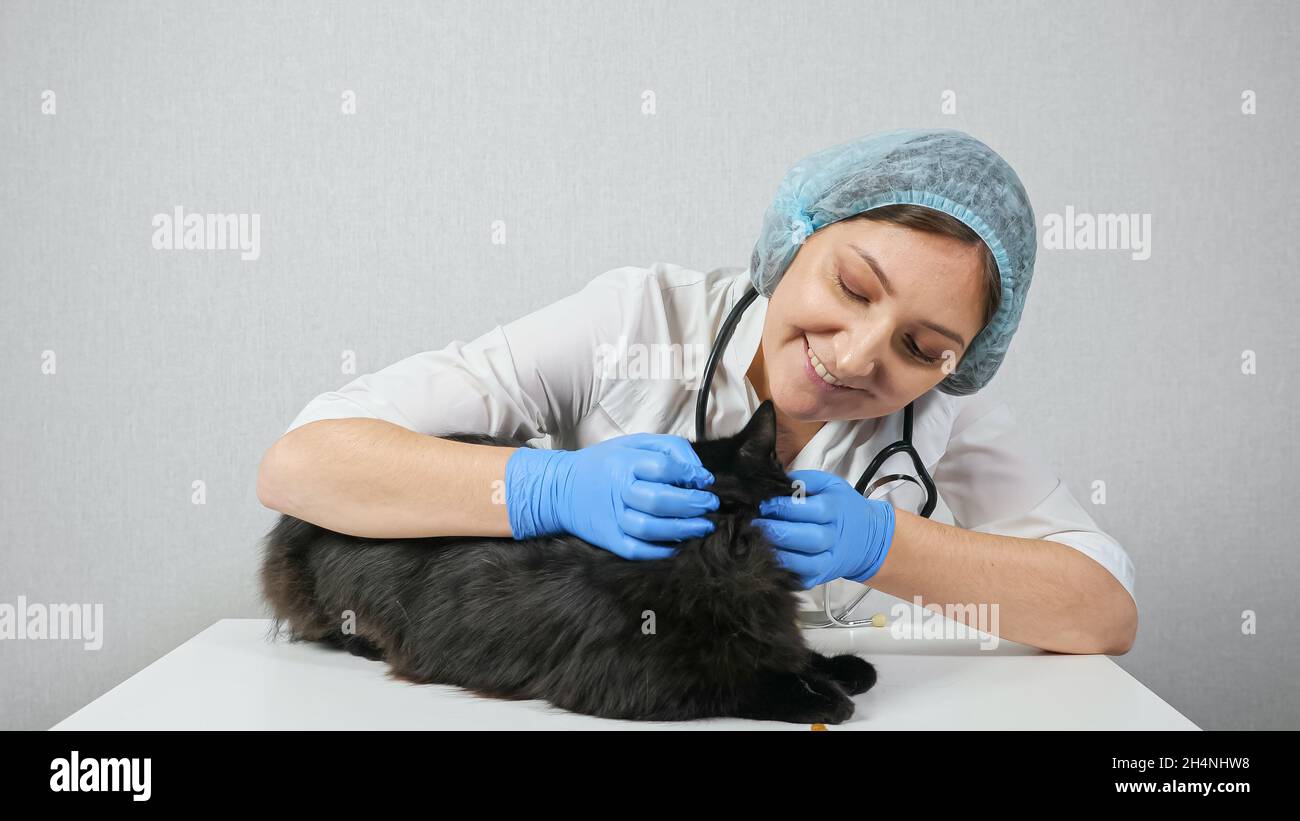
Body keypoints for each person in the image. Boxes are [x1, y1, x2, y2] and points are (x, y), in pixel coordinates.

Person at [257, 128, 1137, 655]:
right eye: (854, 288)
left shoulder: (942, 413)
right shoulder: (637, 322)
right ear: (792, 241)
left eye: (921, 345)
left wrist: (883, 543)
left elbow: (1103, 612)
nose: (860, 355)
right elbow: (301, 466)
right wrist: (546, 489)